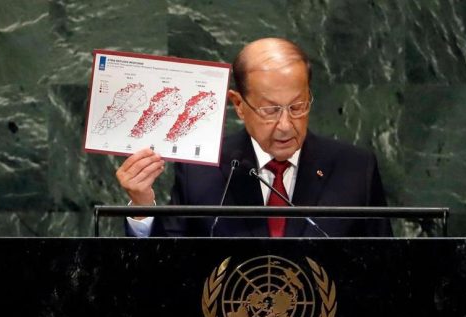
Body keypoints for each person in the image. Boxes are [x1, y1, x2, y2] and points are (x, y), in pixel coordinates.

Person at [116, 37, 392, 237]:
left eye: (297, 107)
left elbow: (386, 267)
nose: (285, 125)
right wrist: (142, 206)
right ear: (238, 104)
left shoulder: (355, 168)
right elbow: (167, 265)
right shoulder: (200, 170)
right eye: (270, 110)